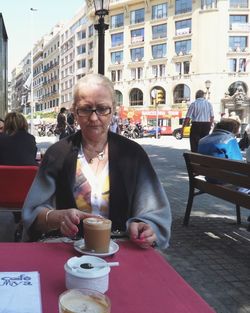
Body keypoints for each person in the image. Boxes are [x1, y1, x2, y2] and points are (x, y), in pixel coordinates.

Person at [22, 73, 172, 250]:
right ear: (74, 112)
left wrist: (145, 227)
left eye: (102, 109)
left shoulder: (133, 155)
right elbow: (32, 214)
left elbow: (154, 214)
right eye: (85, 109)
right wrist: (57, 217)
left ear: (113, 110)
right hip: (66, 250)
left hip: (122, 249)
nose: (94, 118)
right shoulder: (57, 154)